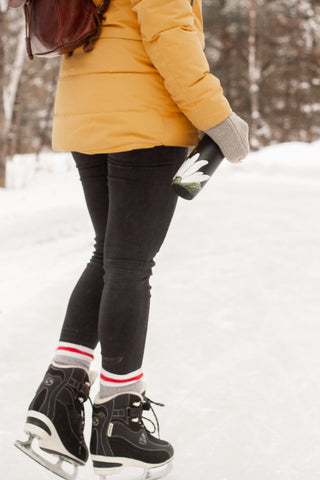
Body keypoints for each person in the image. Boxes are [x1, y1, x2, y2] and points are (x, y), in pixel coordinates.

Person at [16, 0, 249, 479]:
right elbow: (170, 37)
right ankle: (119, 421)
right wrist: (220, 120)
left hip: (88, 115)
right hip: (145, 120)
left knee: (111, 258)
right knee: (128, 265)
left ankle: (56, 405)